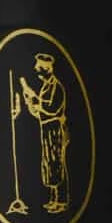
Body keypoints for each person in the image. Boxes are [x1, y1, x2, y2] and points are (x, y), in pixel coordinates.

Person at [20, 54, 70, 213]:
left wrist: (36, 101)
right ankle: (54, 199)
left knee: (57, 163)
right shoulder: (46, 87)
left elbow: (52, 108)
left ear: (47, 69)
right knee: (49, 163)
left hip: (55, 129)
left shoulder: (57, 87)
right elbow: (40, 113)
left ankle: (61, 200)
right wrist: (30, 104)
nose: (36, 69)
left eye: (38, 67)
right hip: (47, 128)